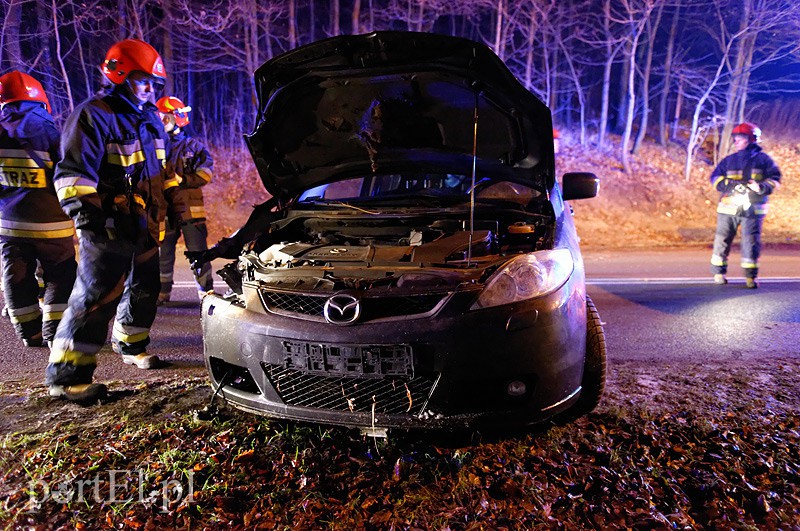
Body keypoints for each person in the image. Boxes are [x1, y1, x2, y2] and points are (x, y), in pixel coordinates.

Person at [46, 39, 170, 402]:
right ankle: (68, 378)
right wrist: (92, 221)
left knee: (145, 289)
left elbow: (160, 174)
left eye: (153, 82)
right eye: (141, 80)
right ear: (118, 75)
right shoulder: (93, 115)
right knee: (95, 298)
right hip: (108, 227)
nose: (149, 89)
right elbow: (71, 177)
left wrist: (167, 210)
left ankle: (131, 345)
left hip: (143, 226)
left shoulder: (147, 119)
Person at [0, 71, 76, 347]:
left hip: (10, 225)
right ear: (40, 101)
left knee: (16, 276)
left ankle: (28, 333)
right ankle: (55, 332)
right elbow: (68, 173)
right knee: (60, 275)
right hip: (53, 224)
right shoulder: (50, 130)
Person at [155, 95, 214, 304]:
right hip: (165, 209)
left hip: (190, 210)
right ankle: (161, 294)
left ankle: (205, 293)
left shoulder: (194, 147)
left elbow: (206, 174)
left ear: (177, 118)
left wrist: (184, 179)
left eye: (165, 117)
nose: (161, 121)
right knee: (163, 254)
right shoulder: (155, 147)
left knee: (198, 252)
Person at [709, 122, 781, 289]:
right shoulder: (728, 161)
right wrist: (731, 186)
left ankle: (750, 277)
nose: (736, 142)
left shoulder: (764, 161)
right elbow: (715, 179)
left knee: (751, 242)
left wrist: (762, 187)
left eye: (740, 138)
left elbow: (775, 179)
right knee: (722, 239)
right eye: (735, 138)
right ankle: (719, 273)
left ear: (751, 140)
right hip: (728, 208)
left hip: (753, 209)